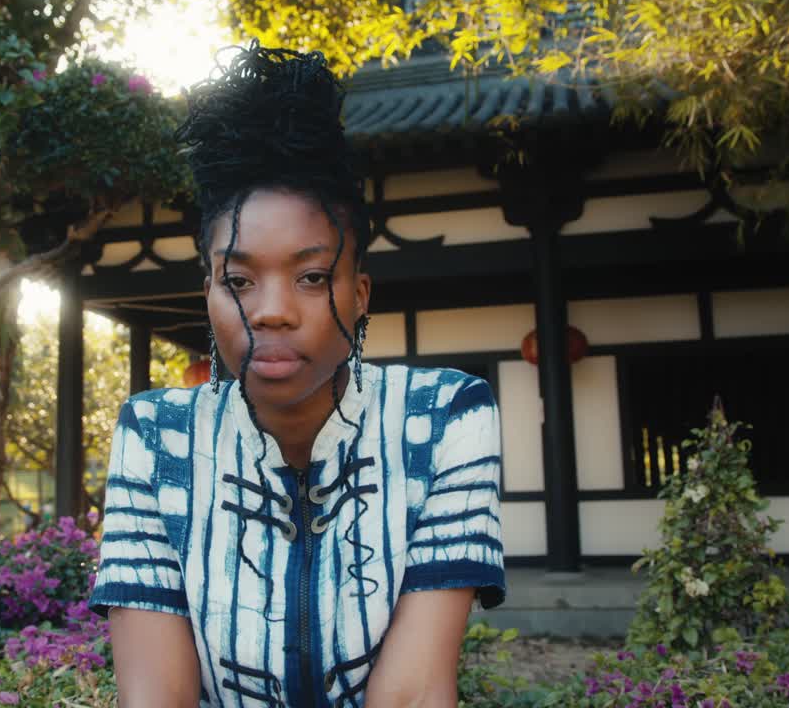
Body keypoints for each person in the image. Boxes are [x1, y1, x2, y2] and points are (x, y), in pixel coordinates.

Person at [89, 41, 506, 708]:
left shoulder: (446, 418)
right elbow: (155, 698)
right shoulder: (155, 438)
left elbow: (413, 694)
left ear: (360, 293)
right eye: (239, 280)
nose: (273, 312)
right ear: (208, 296)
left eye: (313, 277)